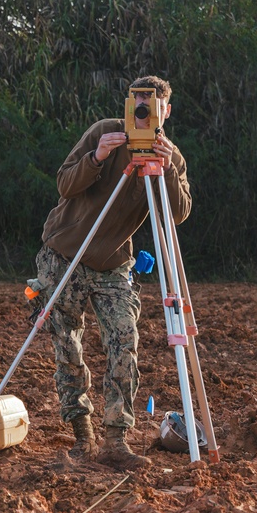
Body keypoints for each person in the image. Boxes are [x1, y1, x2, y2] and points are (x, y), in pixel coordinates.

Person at [35, 75, 192, 471]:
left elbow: (177, 214)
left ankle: (115, 439)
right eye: (137, 101)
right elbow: (64, 183)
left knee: (125, 338)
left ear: (165, 110)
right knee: (67, 345)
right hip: (64, 253)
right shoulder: (104, 133)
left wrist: (168, 167)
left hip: (113, 263)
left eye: (151, 103)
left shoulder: (168, 156)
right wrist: (97, 159)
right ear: (127, 103)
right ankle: (81, 435)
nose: (142, 110)